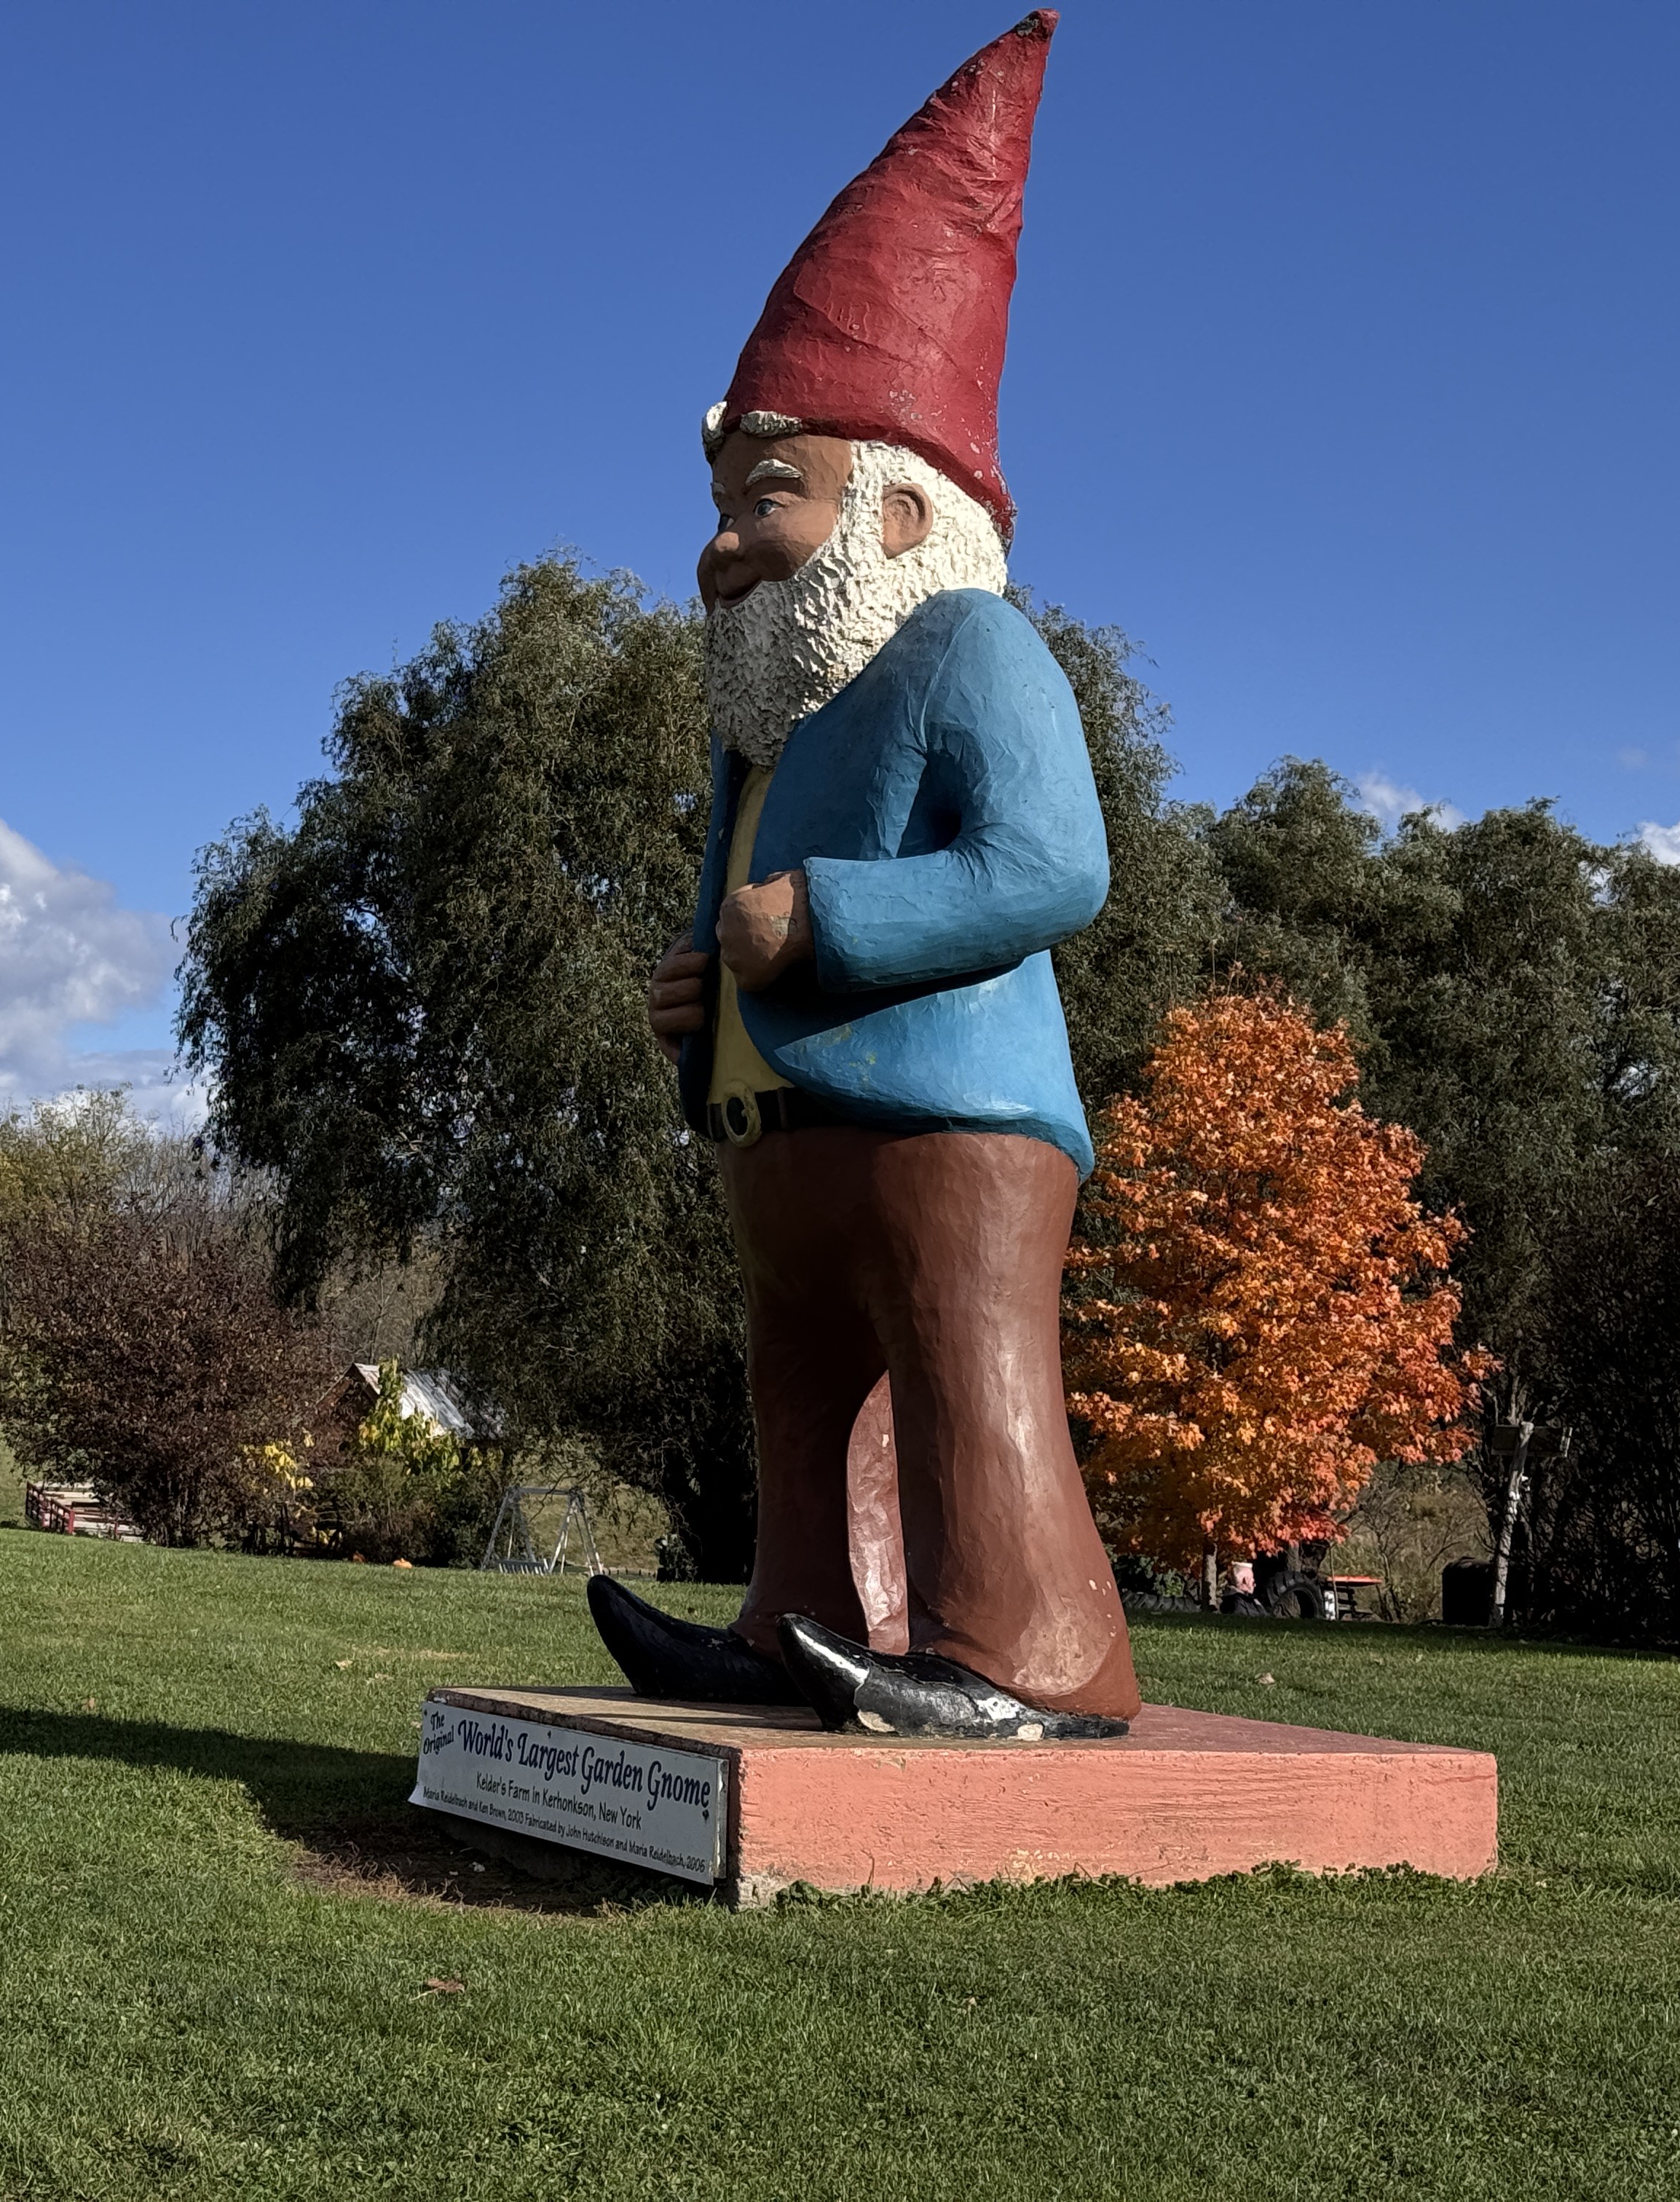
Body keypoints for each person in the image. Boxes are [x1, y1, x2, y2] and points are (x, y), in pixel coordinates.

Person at [585, 9, 1140, 1739]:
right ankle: (802, 1621)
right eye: (725, 502)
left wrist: (825, 920)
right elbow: (726, 909)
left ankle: (1030, 1652)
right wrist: (698, 1005)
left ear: (898, 513)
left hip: (947, 1122)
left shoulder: (972, 651)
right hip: (784, 1130)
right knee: (803, 1390)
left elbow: (1050, 869)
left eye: (771, 496)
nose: (723, 546)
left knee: (975, 1385)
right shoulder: (756, 726)